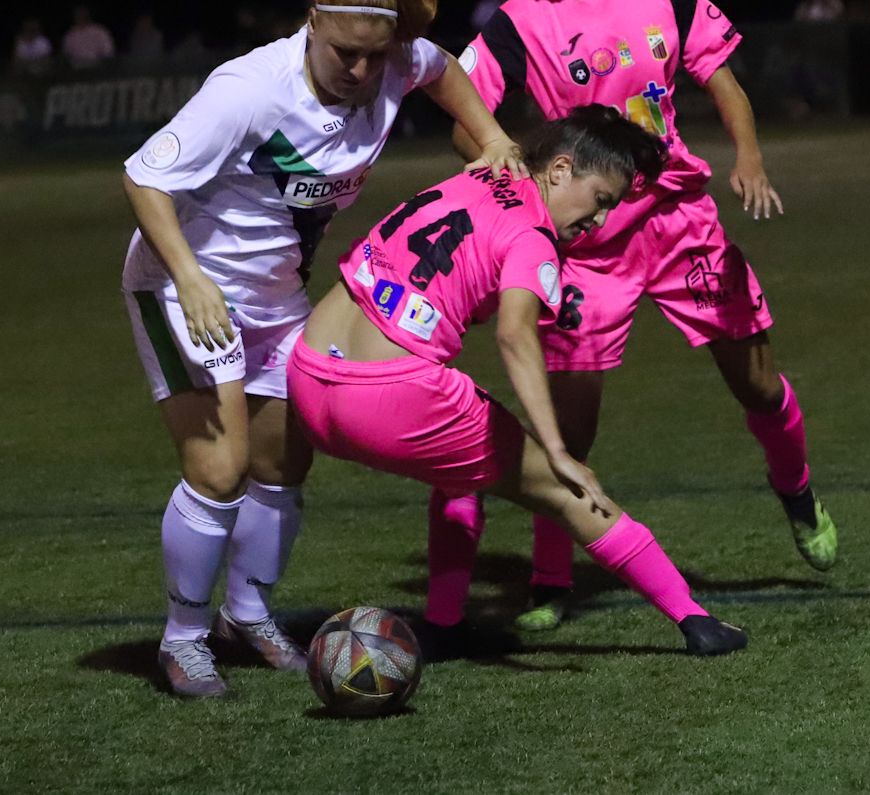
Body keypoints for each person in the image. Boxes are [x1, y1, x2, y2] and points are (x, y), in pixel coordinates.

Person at [121, 0, 525, 697]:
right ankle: (183, 637)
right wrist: (191, 279)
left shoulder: (396, 58)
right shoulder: (249, 91)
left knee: (285, 459)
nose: (360, 71)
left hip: (274, 298)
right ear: (313, 22)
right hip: (179, 288)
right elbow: (143, 178)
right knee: (222, 467)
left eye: (375, 59)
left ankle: (247, 610)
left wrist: (492, 140)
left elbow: (443, 71)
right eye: (345, 54)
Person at [435, 0, 836, 636]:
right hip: (587, 241)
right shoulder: (517, 23)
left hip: (679, 217)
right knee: (571, 420)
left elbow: (723, 83)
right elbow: (461, 111)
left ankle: (796, 491)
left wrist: (748, 157)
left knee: (755, 381)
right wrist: (504, 154)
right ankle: (552, 575)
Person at [290, 106, 747, 657]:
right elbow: (515, 334)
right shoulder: (535, 239)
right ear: (559, 170)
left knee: (458, 467)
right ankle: (695, 620)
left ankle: (443, 622)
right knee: (567, 490)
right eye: (601, 200)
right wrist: (556, 448)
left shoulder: (483, 169)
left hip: (310, 375)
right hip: (392, 397)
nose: (600, 222)